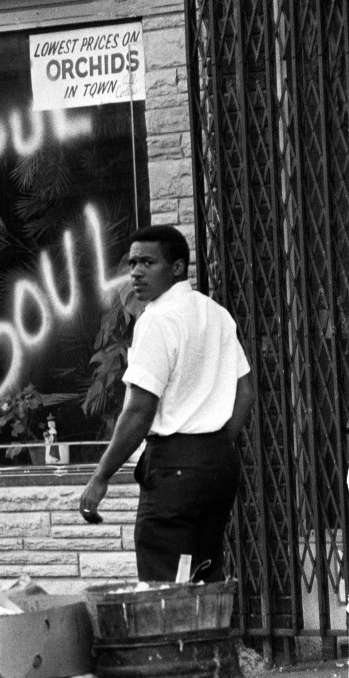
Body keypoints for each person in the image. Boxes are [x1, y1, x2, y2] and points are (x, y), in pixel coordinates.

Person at [78, 225, 255, 583]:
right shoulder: (214, 313)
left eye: (148, 262)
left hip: (175, 466)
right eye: (132, 264)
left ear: (177, 267)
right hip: (218, 463)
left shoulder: (157, 319)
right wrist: (214, 445)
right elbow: (246, 391)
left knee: (166, 584)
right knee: (203, 576)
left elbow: (139, 411)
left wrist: (101, 476)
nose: (136, 272)